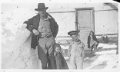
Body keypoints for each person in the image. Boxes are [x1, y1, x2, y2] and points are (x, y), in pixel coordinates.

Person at [24, 3, 58, 69]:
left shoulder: (50, 18)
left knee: (52, 60)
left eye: (43, 10)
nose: (42, 12)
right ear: (38, 11)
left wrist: (53, 36)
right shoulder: (35, 18)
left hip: (50, 40)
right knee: (43, 61)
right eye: (40, 10)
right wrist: (33, 29)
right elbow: (26, 23)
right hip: (41, 41)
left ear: (45, 10)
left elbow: (56, 26)